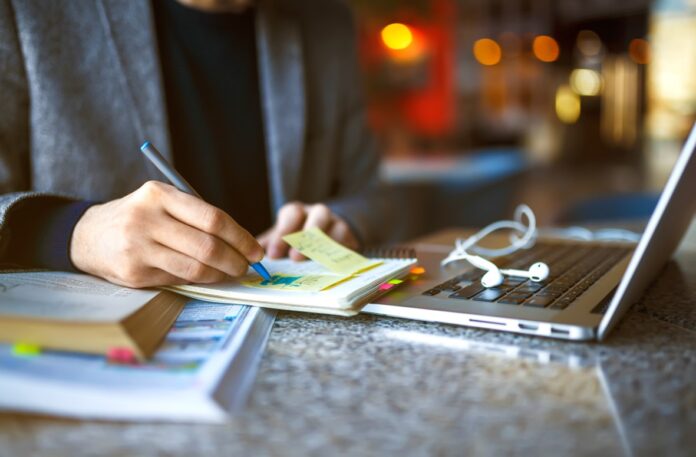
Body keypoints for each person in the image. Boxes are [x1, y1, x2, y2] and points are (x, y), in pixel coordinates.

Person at [0, 0, 395, 287]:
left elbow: (375, 193)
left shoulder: (326, 21)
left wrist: (343, 220)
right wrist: (74, 232)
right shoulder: (26, 11)